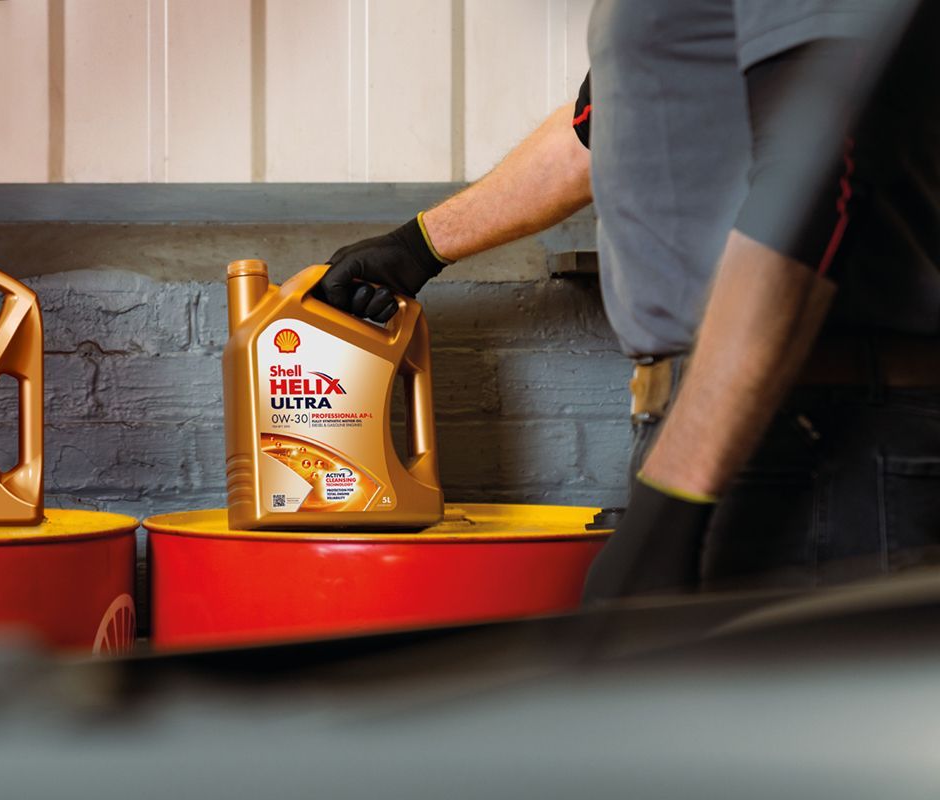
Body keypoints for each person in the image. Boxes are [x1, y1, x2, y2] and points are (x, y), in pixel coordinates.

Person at [316, 0, 940, 600]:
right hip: (727, 428)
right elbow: (596, 131)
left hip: (815, 435)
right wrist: (417, 247)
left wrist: (678, 500)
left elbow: (819, 169)